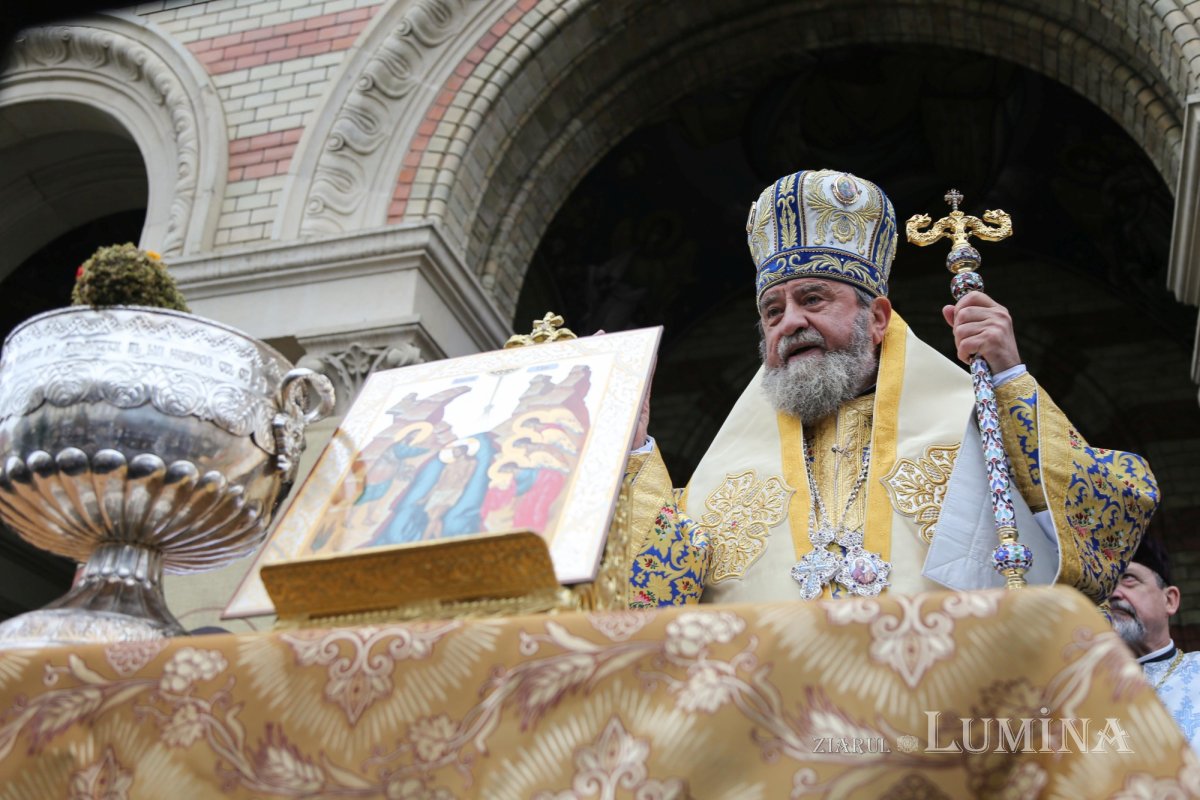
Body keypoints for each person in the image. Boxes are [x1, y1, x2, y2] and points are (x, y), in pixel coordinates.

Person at [626, 168, 1160, 606]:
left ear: (878, 318)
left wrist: (1009, 375)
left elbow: (1102, 528)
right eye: (772, 311)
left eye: (812, 300)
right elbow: (650, 600)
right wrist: (632, 449)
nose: (788, 322)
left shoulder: (974, 424)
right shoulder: (725, 474)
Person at [1110, 538, 1200, 751]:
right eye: (1106, 586)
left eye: (1129, 579)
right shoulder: (1080, 690)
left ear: (1169, 600)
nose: (1113, 594)